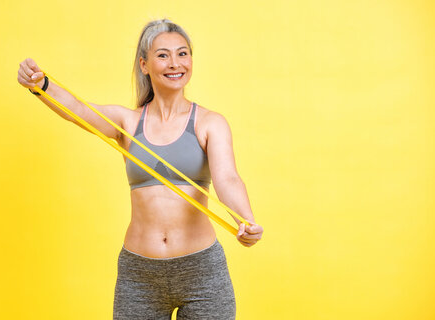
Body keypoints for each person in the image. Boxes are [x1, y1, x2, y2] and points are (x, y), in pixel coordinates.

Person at [17, 19, 263, 319]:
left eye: (182, 53)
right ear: (144, 65)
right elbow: (78, 111)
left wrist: (244, 219)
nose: (175, 63)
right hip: (139, 274)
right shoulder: (128, 122)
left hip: (202, 271)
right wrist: (41, 84)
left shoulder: (210, 122)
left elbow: (228, 178)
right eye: (163, 55)